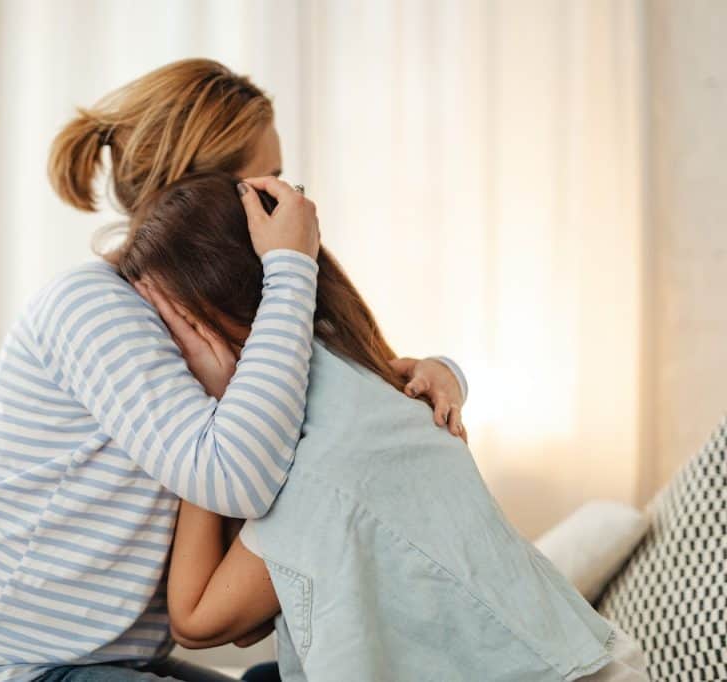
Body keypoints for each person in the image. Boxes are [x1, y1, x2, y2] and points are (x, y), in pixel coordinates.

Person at [0, 59, 469, 681]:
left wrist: (440, 372)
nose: (291, 204)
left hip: (104, 660)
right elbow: (232, 477)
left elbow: (336, 397)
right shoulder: (92, 306)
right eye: (269, 183)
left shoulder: (217, 318)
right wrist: (291, 264)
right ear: (199, 198)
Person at [121, 172, 650, 682]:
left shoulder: (325, 461)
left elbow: (197, 620)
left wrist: (209, 428)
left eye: (167, 330)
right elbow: (255, 617)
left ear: (206, 319)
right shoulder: (344, 366)